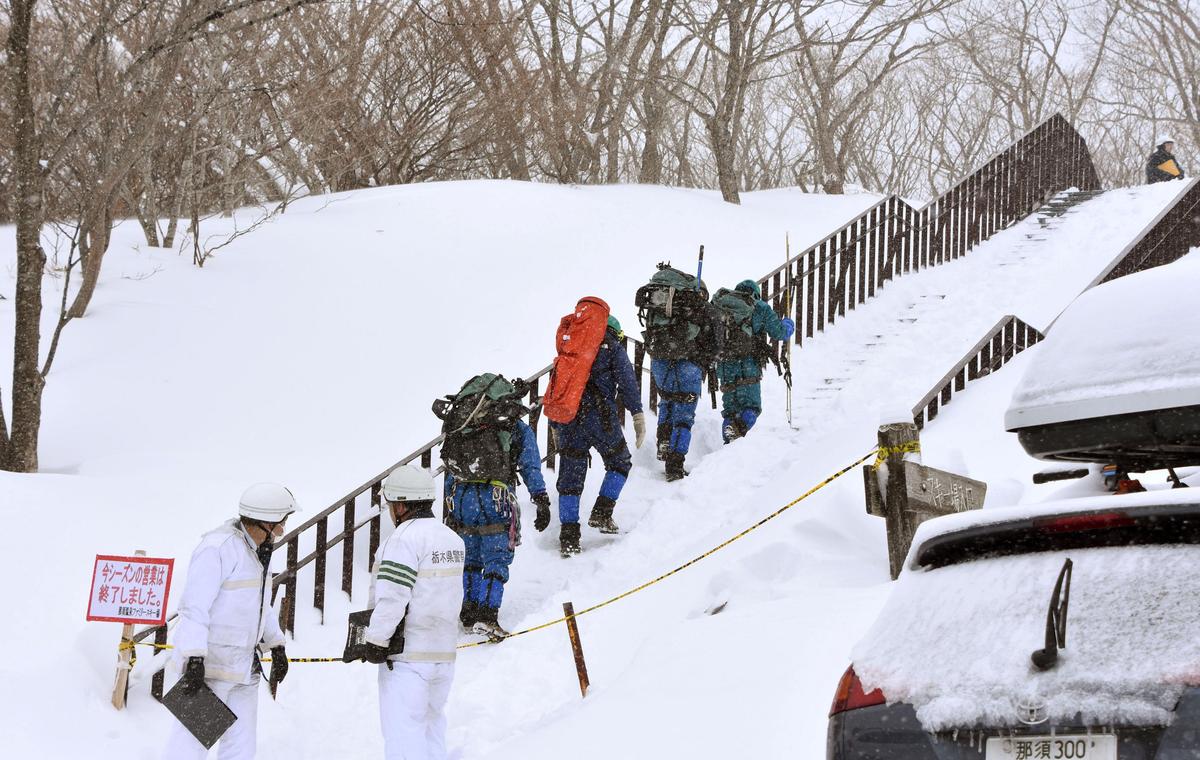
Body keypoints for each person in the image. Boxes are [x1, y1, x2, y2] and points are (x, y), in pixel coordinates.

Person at [163, 483, 298, 760]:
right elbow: (193, 607)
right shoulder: (218, 548)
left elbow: (259, 606)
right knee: (191, 746)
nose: (283, 530)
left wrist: (277, 644)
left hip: (244, 669)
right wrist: (194, 658)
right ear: (265, 522)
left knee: (241, 747)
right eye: (281, 523)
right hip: (210, 669)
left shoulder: (258, 552)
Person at [352, 465, 465, 760]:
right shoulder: (451, 539)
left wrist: (375, 641)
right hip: (443, 655)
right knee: (432, 728)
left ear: (401, 504)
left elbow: (392, 597)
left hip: (407, 659)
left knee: (404, 737)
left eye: (390, 504)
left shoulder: (402, 540)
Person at [438, 374, 549, 639]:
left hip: (462, 496)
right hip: (496, 497)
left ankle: (468, 610)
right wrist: (540, 497)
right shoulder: (513, 426)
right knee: (496, 557)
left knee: (471, 557)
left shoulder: (464, 424)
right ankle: (487, 617)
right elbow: (530, 464)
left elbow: (450, 464)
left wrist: (449, 503)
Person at [540, 315, 645, 556]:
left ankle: (569, 536)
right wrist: (637, 413)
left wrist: (555, 424)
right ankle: (602, 512)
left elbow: (558, 387)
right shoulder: (611, 347)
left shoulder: (570, 347)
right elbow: (627, 381)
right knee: (620, 461)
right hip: (601, 417)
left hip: (569, 417)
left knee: (570, 479)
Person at [713, 280, 795, 443]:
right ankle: (737, 432)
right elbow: (778, 333)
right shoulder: (759, 307)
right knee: (752, 407)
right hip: (747, 364)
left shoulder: (720, 305)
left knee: (730, 410)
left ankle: (729, 440)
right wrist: (788, 324)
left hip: (724, 364)